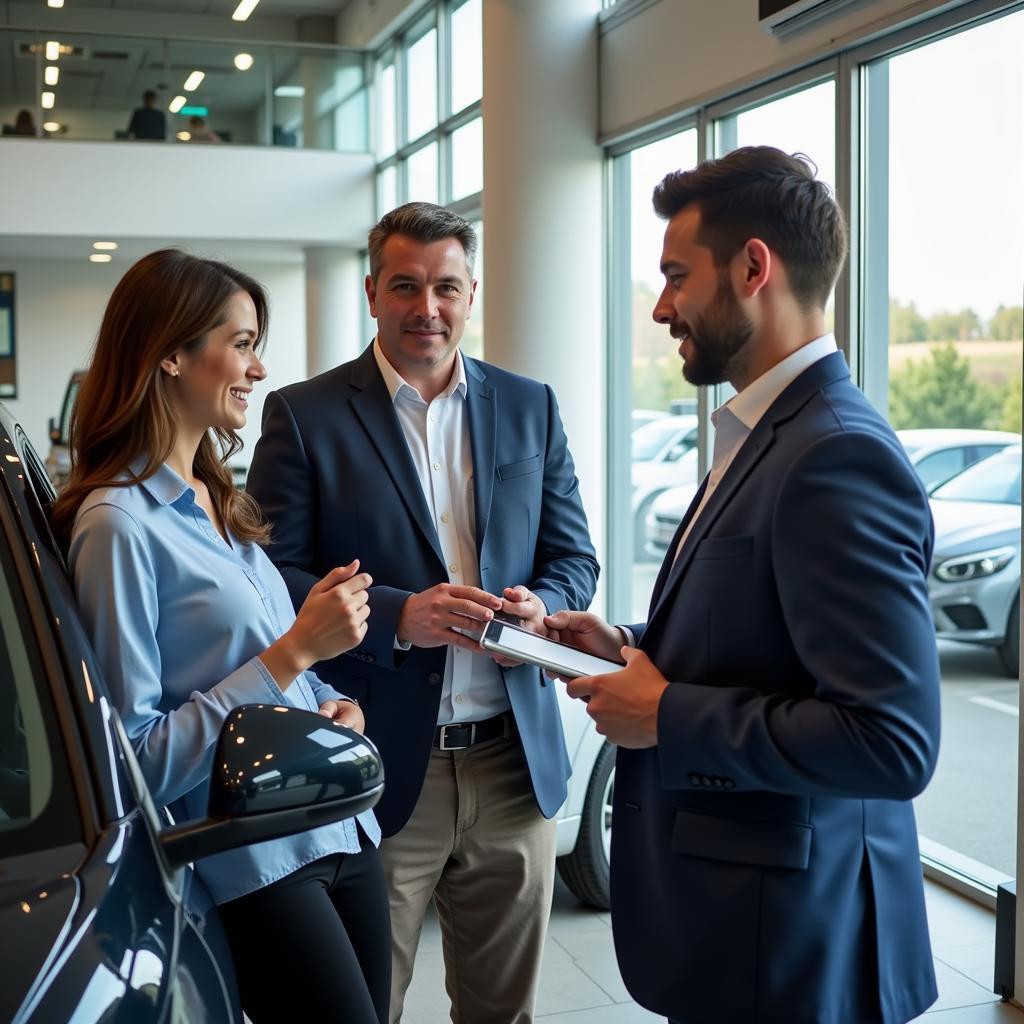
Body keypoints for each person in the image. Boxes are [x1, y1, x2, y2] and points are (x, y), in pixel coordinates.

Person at [546, 147, 941, 1024]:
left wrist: (666, 713)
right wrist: (632, 651)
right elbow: (770, 644)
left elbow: (891, 741)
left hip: (792, 948)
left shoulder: (835, 452)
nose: (660, 307)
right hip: (747, 932)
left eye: (676, 276)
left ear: (753, 267)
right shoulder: (767, 431)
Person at [246, 202, 599, 1023]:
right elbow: (268, 577)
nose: (426, 308)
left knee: (501, 1011)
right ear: (372, 291)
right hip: (378, 762)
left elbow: (574, 556)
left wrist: (541, 608)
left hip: (514, 764)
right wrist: (400, 615)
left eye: (446, 287)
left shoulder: (530, 406)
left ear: (472, 293)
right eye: (405, 286)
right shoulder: (306, 414)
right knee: (372, 1005)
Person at [51, 249, 391, 1024]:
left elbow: (279, 669)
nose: (258, 367)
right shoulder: (118, 526)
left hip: (338, 825)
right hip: (252, 861)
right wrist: (296, 653)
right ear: (170, 354)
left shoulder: (217, 497)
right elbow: (133, 763)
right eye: (240, 343)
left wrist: (336, 705)